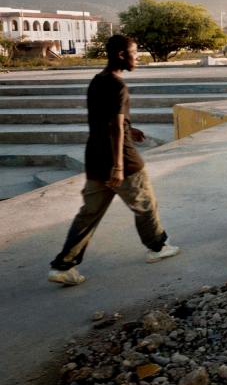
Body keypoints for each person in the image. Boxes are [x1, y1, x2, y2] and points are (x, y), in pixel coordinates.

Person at [48, 35, 179, 286]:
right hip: (124, 162)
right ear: (121, 54)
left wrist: (131, 128)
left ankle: (64, 265)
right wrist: (118, 166)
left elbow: (106, 121)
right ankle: (158, 247)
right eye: (135, 52)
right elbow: (115, 127)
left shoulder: (97, 82)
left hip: (95, 159)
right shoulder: (119, 87)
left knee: (89, 214)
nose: (138, 57)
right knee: (146, 204)